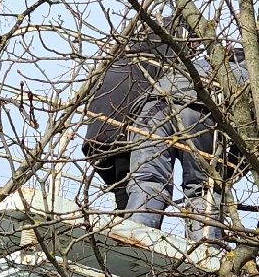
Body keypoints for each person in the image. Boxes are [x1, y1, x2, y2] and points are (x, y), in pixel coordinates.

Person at [80, 17, 238, 240]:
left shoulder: (131, 51)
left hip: (116, 126)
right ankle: (205, 243)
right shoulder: (174, 56)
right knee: (202, 187)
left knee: (144, 180)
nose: (194, 48)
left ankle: (134, 233)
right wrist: (226, 172)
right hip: (162, 118)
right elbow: (248, 136)